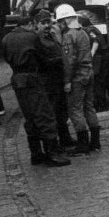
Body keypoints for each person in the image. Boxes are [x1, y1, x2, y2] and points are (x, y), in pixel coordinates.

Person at [1, 14, 71, 167]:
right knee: (44, 115)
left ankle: (36, 153)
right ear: (30, 24)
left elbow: (6, 57)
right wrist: (58, 60)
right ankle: (52, 153)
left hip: (17, 79)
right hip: (33, 78)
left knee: (30, 117)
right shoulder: (31, 37)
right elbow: (43, 59)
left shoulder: (6, 38)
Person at [57, 4, 101, 154]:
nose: (59, 24)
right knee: (89, 107)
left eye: (60, 21)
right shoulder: (83, 32)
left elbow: (69, 61)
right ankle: (95, 142)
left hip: (77, 77)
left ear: (66, 19)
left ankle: (82, 145)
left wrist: (67, 81)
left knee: (75, 110)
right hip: (89, 72)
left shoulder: (69, 35)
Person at [34, 9, 74, 147]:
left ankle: (65, 138)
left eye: (48, 22)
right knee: (52, 113)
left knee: (62, 112)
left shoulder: (52, 36)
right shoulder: (36, 40)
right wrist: (59, 60)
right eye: (43, 23)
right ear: (36, 24)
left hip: (58, 80)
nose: (47, 26)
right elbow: (41, 61)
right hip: (48, 83)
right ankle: (54, 143)